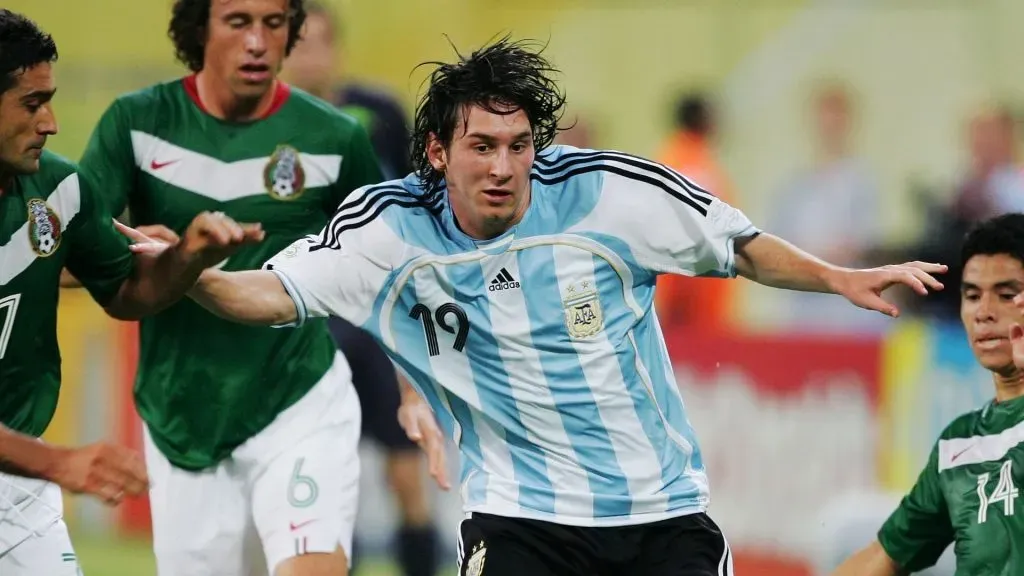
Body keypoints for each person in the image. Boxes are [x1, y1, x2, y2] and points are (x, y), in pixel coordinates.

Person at [173, 37, 945, 576]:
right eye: (482, 147)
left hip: (660, 516)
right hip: (520, 521)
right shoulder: (388, 231)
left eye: (519, 146)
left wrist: (838, 278)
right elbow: (271, 293)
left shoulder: (607, 194)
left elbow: (738, 246)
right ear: (438, 152)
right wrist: (187, 271)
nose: (504, 167)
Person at [76, 0, 383, 574]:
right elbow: (70, 255)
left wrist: (417, 394)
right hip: (182, 414)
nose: (258, 41)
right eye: (238, 22)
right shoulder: (137, 122)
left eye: (274, 23)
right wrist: (154, 256)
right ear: (200, 29)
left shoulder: (335, 137)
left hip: (298, 398)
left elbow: (390, 265)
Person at [0, 10, 261, 575]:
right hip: (33, 462)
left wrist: (188, 258)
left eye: (50, 101)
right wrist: (59, 462)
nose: (50, 123)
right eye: (31, 104)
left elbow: (125, 291)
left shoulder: (60, 189)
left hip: (17, 490)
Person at [282, 4, 438, 575]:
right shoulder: (268, 127)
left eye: (319, 42)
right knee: (328, 475)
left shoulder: (378, 112)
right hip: (313, 321)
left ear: (337, 49)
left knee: (405, 474)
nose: (309, 56)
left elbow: (422, 201)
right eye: (298, 44)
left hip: (381, 318)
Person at [833, 213, 1024, 576]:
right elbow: (883, 557)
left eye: (1006, 294)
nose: (984, 312)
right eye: (972, 296)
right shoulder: (959, 445)